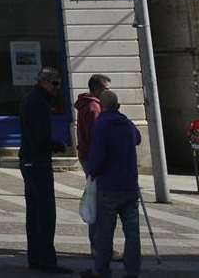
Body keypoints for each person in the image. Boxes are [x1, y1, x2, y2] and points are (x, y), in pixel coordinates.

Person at [81, 91, 142, 278]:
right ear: (118, 105)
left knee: (105, 232)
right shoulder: (127, 123)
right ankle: (132, 271)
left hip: (108, 185)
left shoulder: (101, 124)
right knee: (132, 232)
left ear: (103, 105)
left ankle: (102, 270)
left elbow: (97, 155)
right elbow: (138, 139)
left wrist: (92, 171)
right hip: (130, 185)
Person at [20, 66, 70, 274]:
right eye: (55, 83)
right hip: (37, 161)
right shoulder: (38, 103)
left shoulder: (33, 99)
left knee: (35, 212)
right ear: (44, 82)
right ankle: (46, 260)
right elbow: (40, 136)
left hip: (30, 160)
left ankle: (36, 257)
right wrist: (57, 145)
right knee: (45, 212)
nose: (57, 88)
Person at [75, 75, 111, 173]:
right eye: (106, 89)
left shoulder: (86, 103)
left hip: (86, 153)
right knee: (98, 186)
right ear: (96, 89)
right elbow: (95, 135)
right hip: (92, 155)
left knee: (93, 185)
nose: (109, 92)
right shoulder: (94, 108)